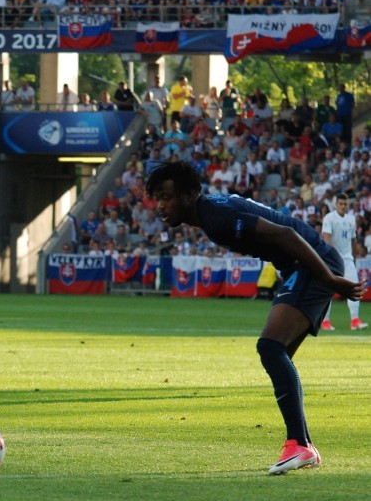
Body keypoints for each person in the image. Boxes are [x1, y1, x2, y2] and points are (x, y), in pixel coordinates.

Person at [146, 161, 365, 475]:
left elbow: (285, 233)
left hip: (312, 264)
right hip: (299, 266)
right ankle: (304, 446)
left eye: (166, 197)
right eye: (156, 198)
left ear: (190, 194)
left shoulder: (216, 217)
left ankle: (299, 445)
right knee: (279, 355)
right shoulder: (210, 211)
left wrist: (330, 278)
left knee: (271, 347)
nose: (160, 205)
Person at [320, 193, 367, 331]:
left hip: (347, 260)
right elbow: (326, 236)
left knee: (355, 288)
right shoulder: (329, 218)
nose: (343, 206)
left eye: (345, 204)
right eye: (340, 203)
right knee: (329, 290)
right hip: (332, 260)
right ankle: (325, 322)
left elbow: (353, 240)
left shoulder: (351, 219)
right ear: (336, 204)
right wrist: (334, 255)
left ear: (348, 205)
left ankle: (355, 320)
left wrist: (354, 256)